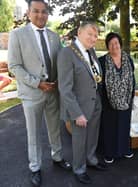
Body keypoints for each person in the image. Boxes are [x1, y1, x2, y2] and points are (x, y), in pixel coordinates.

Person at [7, 0, 71, 186]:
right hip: (32, 93)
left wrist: (60, 79)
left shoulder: (53, 35)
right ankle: (35, 167)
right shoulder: (17, 35)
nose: (40, 15)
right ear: (28, 12)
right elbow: (14, 66)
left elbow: (60, 60)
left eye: (44, 11)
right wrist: (37, 83)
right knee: (33, 132)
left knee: (54, 128)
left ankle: (57, 157)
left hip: (53, 92)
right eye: (36, 11)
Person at [57, 21, 107, 184]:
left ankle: (91, 160)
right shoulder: (67, 53)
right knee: (79, 141)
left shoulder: (91, 50)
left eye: (96, 35)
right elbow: (65, 89)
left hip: (94, 102)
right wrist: (76, 113)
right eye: (90, 34)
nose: (94, 38)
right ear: (79, 32)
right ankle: (79, 169)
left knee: (92, 136)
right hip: (79, 107)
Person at [98, 32, 135, 164]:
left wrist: (130, 98)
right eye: (111, 44)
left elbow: (132, 79)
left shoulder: (128, 59)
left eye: (116, 43)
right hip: (108, 102)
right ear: (108, 46)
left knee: (124, 125)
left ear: (120, 44)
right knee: (109, 128)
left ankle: (125, 149)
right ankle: (109, 152)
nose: (114, 46)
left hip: (126, 100)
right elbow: (99, 83)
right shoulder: (102, 61)